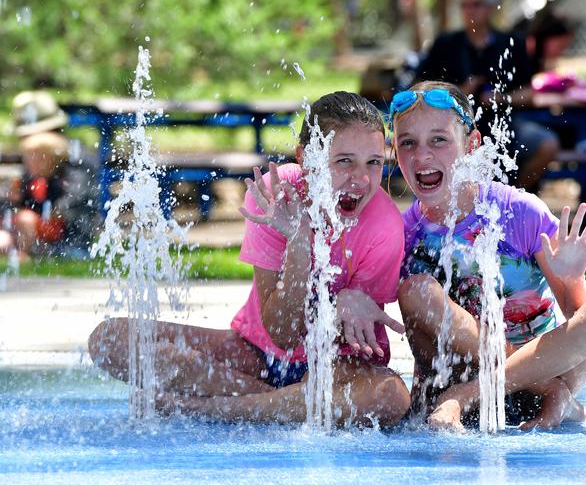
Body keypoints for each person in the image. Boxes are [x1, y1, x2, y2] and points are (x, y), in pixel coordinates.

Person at [88, 91, 411, 428]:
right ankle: (281, 405)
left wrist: (346, 304)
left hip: (334, 367)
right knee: (109, 339)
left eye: (374, 162)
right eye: (344, 161)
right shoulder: (273, 193)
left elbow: (351, 345)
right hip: (255, 353)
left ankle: (214, 408)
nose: (361, 179)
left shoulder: (384, 225)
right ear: (307, 158)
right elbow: (282, 334)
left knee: (389, 395)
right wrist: (299, 242)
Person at [390, 80, 586, 431]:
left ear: (471, 145)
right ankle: (558, 396)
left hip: (509, 385)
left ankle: (473, 393)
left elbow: (581, 319)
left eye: (439, 139)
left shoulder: (517, 211)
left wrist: (570, 277)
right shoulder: (402, 234)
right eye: (407, 143)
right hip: (465, 380)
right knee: (417, 291)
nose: (422, 155)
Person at [414, 0, 560, 192]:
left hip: (504, 122)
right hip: (453, 123)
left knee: (547, 144)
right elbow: (417, 88)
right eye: (465, 5)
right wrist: (458, 92)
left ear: (491, 7)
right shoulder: (446, 44)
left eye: (476, 4)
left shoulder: (511, 42)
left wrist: (501, 99)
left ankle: (509, 196)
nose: (470, 11)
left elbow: (529, 93)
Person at [0, 91, 100, 259]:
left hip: (70, 240)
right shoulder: (34, 159)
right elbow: (20, 196)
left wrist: (38, 219)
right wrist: (13, 196)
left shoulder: (76, 159)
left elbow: (76, 201)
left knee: (25, 219)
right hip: (38, 232)